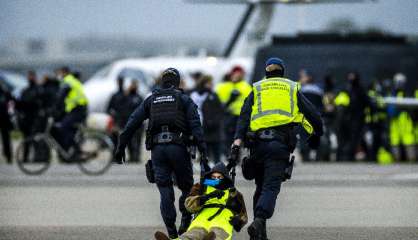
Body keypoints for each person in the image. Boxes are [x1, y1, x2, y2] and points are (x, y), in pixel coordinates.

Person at [232, 58, 323, 240]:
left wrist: (237, 142)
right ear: (282, 71)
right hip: (279, 145)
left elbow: (243, 116)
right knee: (271, 187)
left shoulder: (257, 87)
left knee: (260, 186)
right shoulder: (291, 87)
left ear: (266, 72)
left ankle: (260, 234)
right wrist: (316, 134)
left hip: (257, 145)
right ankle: (258, 221)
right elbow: (312, 113)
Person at [114, 68, 207, 239]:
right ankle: (185, 222)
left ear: (161, 82)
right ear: (177, 82)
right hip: (178, 148)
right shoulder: (183, 99)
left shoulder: (151, 100)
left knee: (164, 190)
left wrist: (120, 148)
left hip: (158, 150)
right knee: (186, 187)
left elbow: (132, 123)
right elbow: (196, 126)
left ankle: (171, 232)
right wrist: (204, 152)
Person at [154, 162, 248, 240]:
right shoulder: (202, 187)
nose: (216, 180)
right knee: (190, 235)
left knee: (217, 236)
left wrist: (238, 220)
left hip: (221, 223)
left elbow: (244, 216)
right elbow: (188, 205)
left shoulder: (234, 193)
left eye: (219, 177)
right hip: (201, 221)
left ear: (225, 177)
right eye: (213, 177)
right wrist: (204, 198)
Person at [53, 67, 88, 158]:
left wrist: (53, 109)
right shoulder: (73, 80)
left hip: (77, 109)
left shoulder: (67, 81)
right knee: (70, 131)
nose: (58, 75)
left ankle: (77, 150)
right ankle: (72, 154)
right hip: (80, 109)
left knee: (63, 128)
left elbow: (60, 97)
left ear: (65, 72)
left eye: (59, 73)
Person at [334, 72, 370, 161]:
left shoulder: (360, 90)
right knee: (345, 139)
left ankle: (351, 156)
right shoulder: (345, 90)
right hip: (347, 119)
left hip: (357, 119)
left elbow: (366, 103)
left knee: (355, 138)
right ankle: (344, 157)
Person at [216, 66, 252, 152]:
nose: (236, 75)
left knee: (240, 137)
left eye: (239, 74)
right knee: (228, 137)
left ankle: (237, 154)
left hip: (241, 116)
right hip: (229, 115)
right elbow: (218, 101)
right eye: (235, 74)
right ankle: (229, 154)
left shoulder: (246, 86)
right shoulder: (224, 86)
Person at [189, 75, 223, 163]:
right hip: (200, 126)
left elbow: (219, 110)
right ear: (204, 83)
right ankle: (204, 174)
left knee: (216, 156)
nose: (211, 85)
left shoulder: (213, 95)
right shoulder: (194, 94)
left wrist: (214, 122)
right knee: (205, 155)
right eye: (209, 83)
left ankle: (216, 174)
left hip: (213, 129)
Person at [387, 73, 415, 162]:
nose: (399, 84)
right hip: (395, 121)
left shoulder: (408, 92)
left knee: (408, 139)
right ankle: (397, 159)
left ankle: (411, 159)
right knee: (395, 140)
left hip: (405, 120)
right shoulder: (392, 93)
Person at [15, 71, 43, 161]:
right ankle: (25, 158)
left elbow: (38, 103)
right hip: (26, 118)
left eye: (32, 76)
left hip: (35, 118)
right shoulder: (25, 90)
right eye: (29, 76)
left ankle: (38, 158)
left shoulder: (39, 89)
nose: (30, 78)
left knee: (35, 139)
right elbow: (21, 104)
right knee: (26, 139)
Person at [298, 69, 324, 161]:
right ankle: (318, 156)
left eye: (303, 77)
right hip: (315, 117)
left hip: (304, 117)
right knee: (316, 135)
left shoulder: (301, 90)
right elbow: (321, 105)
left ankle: (305, 156)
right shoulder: (319, 90)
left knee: (304, 137)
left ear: (309, 78)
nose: (301, 79)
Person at [125, 80, 144, 163]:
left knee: (138, 140)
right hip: (129, 122)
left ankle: (137, 156)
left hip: (139, 122)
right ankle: (131, 156)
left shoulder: (139, 97)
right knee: (129, 140)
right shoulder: (127, 97)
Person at [0, 81, 13, 163]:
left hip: (4, 119)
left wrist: (11, 115)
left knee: (6, 139)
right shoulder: (5, 93)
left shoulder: (5, 93)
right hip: (4, 118)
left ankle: (8, 156)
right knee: (6, 138)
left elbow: (11, 105)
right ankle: (8, 155)